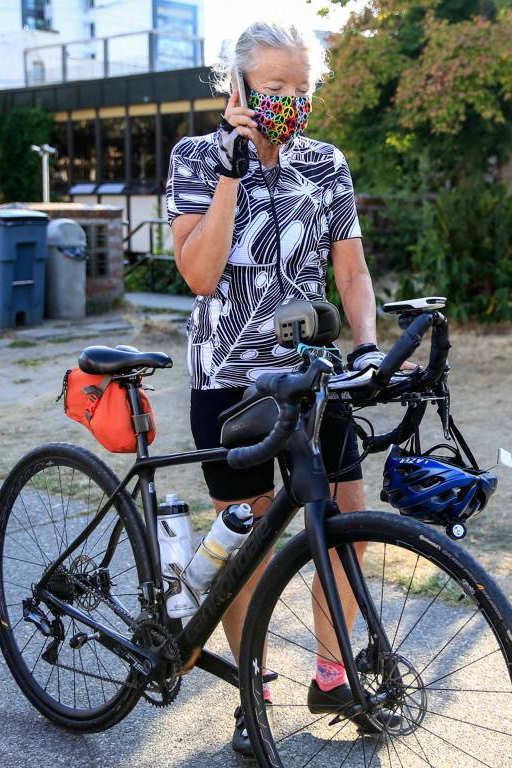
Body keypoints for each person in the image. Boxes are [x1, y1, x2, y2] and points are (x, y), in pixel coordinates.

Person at [165, 19, 396, 756]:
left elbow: (351, 272)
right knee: (248, 546)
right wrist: (234, 167)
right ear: (236, 87)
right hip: (228, 378)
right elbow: (200, 275)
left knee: (346, 526)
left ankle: (334, 675)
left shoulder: (326, 163)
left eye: (302, 88)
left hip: (310, 377)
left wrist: (366, 345)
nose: (291, 100)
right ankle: (251, 691)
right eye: (275, 88)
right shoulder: (195, 157)